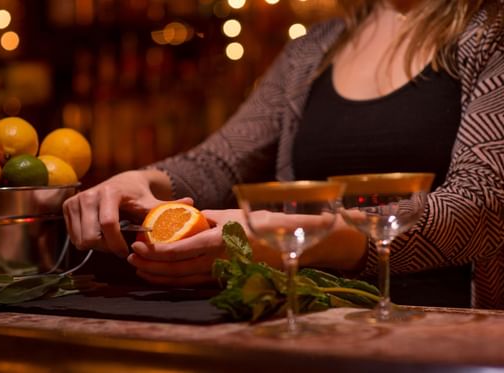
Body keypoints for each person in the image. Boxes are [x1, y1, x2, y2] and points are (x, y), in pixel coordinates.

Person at [63, 0, 504, 309]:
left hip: (445, 327)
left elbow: (481, 207)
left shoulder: (492, 34)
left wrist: (293, 238)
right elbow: (220, 160)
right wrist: (141, 181)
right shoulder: (314, 48)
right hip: (313, 321)